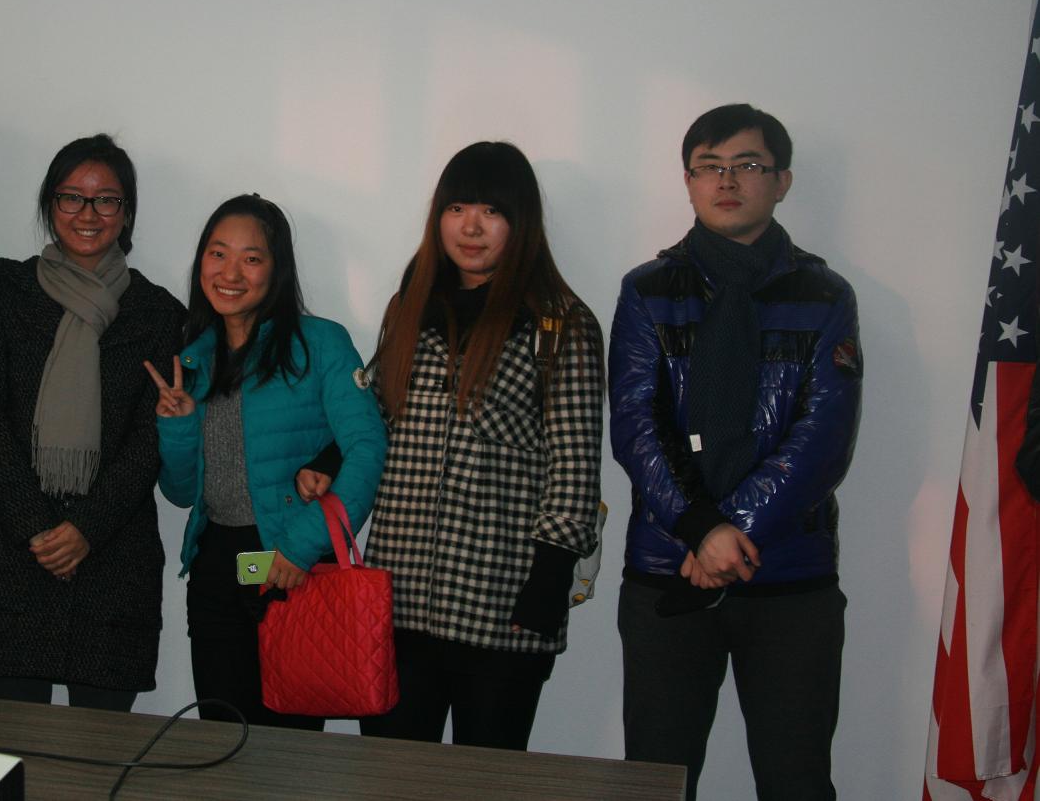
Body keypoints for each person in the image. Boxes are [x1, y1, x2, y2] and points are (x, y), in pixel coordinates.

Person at [610, 104, 861, 801]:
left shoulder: (825, 295)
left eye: (747, 165)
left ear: (782, 181)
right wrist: (699, 527)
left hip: (789, 578)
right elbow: (636, 424)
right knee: (656, 780)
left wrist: (731, 532)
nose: (727, 181)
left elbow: (823, 437)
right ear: (688, 181)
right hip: (669, 570)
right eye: (709, 167)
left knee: (796, 780)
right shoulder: (647, 291)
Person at [338, 140, 604, 751]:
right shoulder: (408, 307)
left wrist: (549, 579)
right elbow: (376, 425)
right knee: (392, 780)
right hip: (398, 600)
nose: (472, 227)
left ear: (521, 221)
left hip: (504, 605)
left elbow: (574, 462)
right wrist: (327, 465)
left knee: (487, 782)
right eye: (457, 208)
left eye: (492, 210)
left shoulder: (560, 323)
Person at [0, 134, 185, 711]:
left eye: (106, 200)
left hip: (113, 557)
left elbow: (151, 440)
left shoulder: (159, 313)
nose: (88, 214)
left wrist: (85, 530)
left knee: (101, 748)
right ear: (50, 206)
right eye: (71, 197)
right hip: (11, 550)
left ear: (127, 212)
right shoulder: (5, 293)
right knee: (12, 741)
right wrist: (38, 528)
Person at [147, 194, 386, 731]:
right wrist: (179, 425)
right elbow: (181, 493)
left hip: (290, 564)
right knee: (221, 737)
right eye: (217, 254)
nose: (230, 273)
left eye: (251, 258)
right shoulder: (196, 356)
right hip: (215, 567)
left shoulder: (321, 343)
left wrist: (301, 547)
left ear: (276, 270)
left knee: (289, 750)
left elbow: (367, 447)